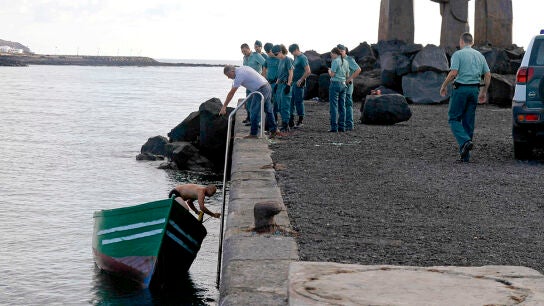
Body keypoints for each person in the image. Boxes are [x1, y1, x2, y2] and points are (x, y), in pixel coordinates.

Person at [440, 32, 491, 162]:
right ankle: (465, 157)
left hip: (461, 89)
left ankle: (465, 141)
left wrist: (444, 86)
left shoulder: (458, 54)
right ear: (472, 42)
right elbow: (488, 75)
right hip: (474, 90)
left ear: (461, 42)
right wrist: (484, 91)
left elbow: (453, 73)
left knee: (454, 119)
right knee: (468, 122)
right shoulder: (480, 56)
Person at [220, 65, 284, 139]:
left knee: (254, 111)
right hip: (266, 86)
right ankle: (274, 130)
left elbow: (232, 92)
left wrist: (224, 107)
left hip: (261, 89)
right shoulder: (242, 69)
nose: (228, 77)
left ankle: (254, 134)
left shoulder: (240, 75)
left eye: (228, 75)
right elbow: (233, 88)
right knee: (268, 110)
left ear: (232, 71)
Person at [337, 44, 362, 131]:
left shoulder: (349, 59)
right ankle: (342, 124)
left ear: (345, 51)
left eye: (341, 50)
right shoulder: (339, 60)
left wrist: (350, 78)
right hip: (340, 86)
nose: (340, 52)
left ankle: (349, 125)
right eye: (338, 50)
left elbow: (358, 69)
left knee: (347, 105)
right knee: (341, 105)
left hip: (347, 87)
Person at [241, 43, 266, 124]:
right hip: (248, 83)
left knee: (255, 101)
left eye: (245, 51)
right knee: (248, 100)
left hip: (257, 82)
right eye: (242, 52)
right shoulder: (244, 57)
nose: (244, 53)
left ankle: (255, 120)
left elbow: (265, 64)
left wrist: (263, 76)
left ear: (248, 49)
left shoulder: (256, 55)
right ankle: (249, 117)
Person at [288, 43, 311, 128]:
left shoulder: (303, 58)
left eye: (292, 52)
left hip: (299, 83)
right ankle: (291, 120)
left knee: (298, 102)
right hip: (293, 83)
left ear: (296, 50)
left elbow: (308, 71)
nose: (292, 54)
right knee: (291, 101)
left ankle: (300, 121)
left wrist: (301, 79)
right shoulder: (296, 57)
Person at [328, 47, 349, 132]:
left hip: (335, 84)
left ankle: (334, 127)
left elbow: (332, 75)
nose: (330, 55)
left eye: (331, 54)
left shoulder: (335, 61)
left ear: (335, 53)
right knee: (342, 106)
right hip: (343, 85)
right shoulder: (346, 62)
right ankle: (342, 127)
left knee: (333, 106)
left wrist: (329, 71)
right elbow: (347, 76)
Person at [273, 44, 294, 132]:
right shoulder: (280, 61)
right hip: (280, 85)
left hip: (286, 85)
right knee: (279, 105)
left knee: (285, 105)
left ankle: (286, 124)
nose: (276, 56)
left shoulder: (287, 60)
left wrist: (289, 85)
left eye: (276, 54)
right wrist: (276, 84)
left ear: (281, 52)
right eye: (274, 55)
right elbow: (280, 74)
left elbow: (291, 73)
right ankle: (284, 123)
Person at [262, 43, 280, 121]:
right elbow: (264, 71)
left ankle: (276, 118)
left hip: (277, 83)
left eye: (269, 52)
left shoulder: (279, 58)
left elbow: (282, 71)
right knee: (268, 101)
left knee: (276, 101)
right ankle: (270, 119)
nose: (268, 54)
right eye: (267, 52)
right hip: (269, 83)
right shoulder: (267, 59)